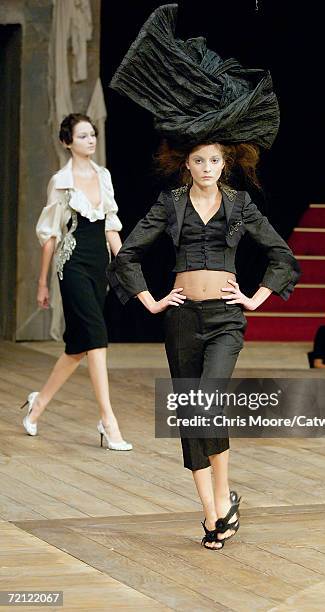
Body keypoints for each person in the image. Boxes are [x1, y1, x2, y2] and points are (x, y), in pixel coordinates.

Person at [106, 4, 300, 549]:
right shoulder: (169, 206)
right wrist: (148, 300)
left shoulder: (241, 207)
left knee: (208, 400)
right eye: (199, 160)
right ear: (186, 164)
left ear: (225, 163)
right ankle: (215, 513)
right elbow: (128, 255)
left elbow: (282, 257)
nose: (208, 168)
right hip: (181, 318)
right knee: (189, 414)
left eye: (215, 160)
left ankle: (224, 500)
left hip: (225, 320)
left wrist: (257, 298)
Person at [22, 113, 132, 451]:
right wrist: (42, 283)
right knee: (97, 338)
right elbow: (50, 236)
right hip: (71, 266)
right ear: (67, 141)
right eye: (83, 136)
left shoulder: (104, 176)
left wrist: (127, 264)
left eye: (92, 134)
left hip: (100, 265)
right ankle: (108, 420)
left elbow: (111, 225)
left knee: (78, 347)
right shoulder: (61, 181)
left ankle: (37, 404)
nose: (90, 140)